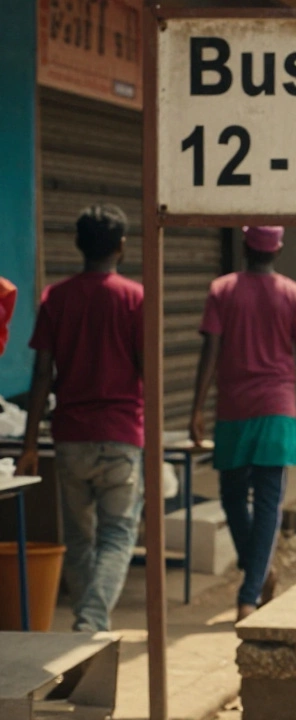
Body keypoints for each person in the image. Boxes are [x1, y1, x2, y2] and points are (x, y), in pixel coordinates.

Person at [17, 204, 144, 632]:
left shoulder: (57, 298)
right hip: (123, 436)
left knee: (79, 539)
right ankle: (91, 622)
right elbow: (148, 369)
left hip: (70, 438)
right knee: (118, 536)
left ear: (77, 244)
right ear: (122, 248)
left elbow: (41, 375)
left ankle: (89, 629)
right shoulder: (134, 298)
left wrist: (31, 445)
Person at [189, 226, 296, 621]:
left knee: (237, 499)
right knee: (261, 502)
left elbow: (208, 352)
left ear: (246, 246)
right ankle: (259, 574)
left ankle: (247, 596)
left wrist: (196, 408)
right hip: (276, 408)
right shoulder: (294, 294)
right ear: (278, 248)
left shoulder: (222, 290)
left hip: (235, 410)